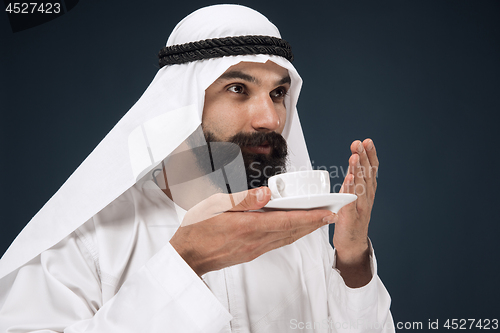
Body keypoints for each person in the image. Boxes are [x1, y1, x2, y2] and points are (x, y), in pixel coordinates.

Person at [0, 4, 394, 332]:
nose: (270, 118)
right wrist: (185, 262)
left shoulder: (293, 226)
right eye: (238, 89)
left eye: (278, 94)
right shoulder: (91, 239)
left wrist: (352, 255)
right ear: (182, 103)